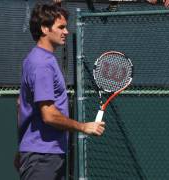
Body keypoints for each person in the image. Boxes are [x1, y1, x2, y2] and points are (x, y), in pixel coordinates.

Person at [15, 2, 106, 180]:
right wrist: (83, 127)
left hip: (43, 154)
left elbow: (20, 105)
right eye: (61, 27)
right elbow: (48, 115)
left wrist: (22, 146)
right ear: (44, 29)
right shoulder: (42, 64)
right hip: (42, 157)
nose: (66, 31)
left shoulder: (37, 59)